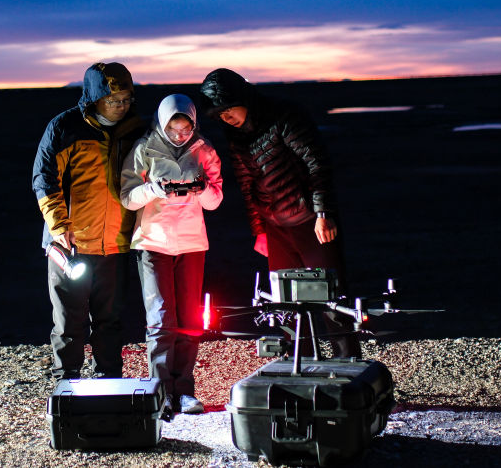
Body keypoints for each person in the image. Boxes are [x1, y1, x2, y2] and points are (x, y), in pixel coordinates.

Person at [198, 68, 361, 359]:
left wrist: (323, 212)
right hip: (276, 228)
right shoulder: (236, 136)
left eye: (228, 109)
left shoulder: (284, 116)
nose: (225, 117)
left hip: (311, 223)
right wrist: (260, 231)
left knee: (332, 302)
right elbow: (248, 186)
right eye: (219, 114)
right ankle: (301, 365)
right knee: (287, 305)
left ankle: (348, 366)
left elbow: (316, 163)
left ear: (242, 97)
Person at [33, 62, 146, 381]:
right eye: (114, 100)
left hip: (115, 244)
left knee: (110, 322)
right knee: (69, 323)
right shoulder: (65, 127)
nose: (121, 106)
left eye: (126, 99)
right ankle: (66, 384)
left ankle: (109, 382)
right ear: (95, 98)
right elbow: (44, 179)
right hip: (71, 245)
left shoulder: (136, 130)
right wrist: (59, 227)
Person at [121, 94, 223, 415]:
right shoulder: (144, 149)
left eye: (185, 129)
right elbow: (127, 197)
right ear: (162, 124)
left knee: (190, 319)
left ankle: (185, 391)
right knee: (161, 318)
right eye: (173, 129)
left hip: (191, 242)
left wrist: (202, 188)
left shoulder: (204, 150)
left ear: (194, 124)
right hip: (153, 242)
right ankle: (161, 392)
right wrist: (154, 188)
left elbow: (215, 201)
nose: (180, 135)